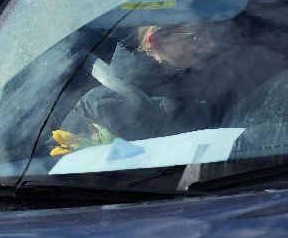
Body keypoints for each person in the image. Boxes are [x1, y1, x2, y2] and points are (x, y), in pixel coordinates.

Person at [54, 20, 226, 146]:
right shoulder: (98, 105)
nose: (210, 45)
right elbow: (58, 167)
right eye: (195, 37)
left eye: (211, 34)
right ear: (157, 42)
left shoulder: (196, 74)